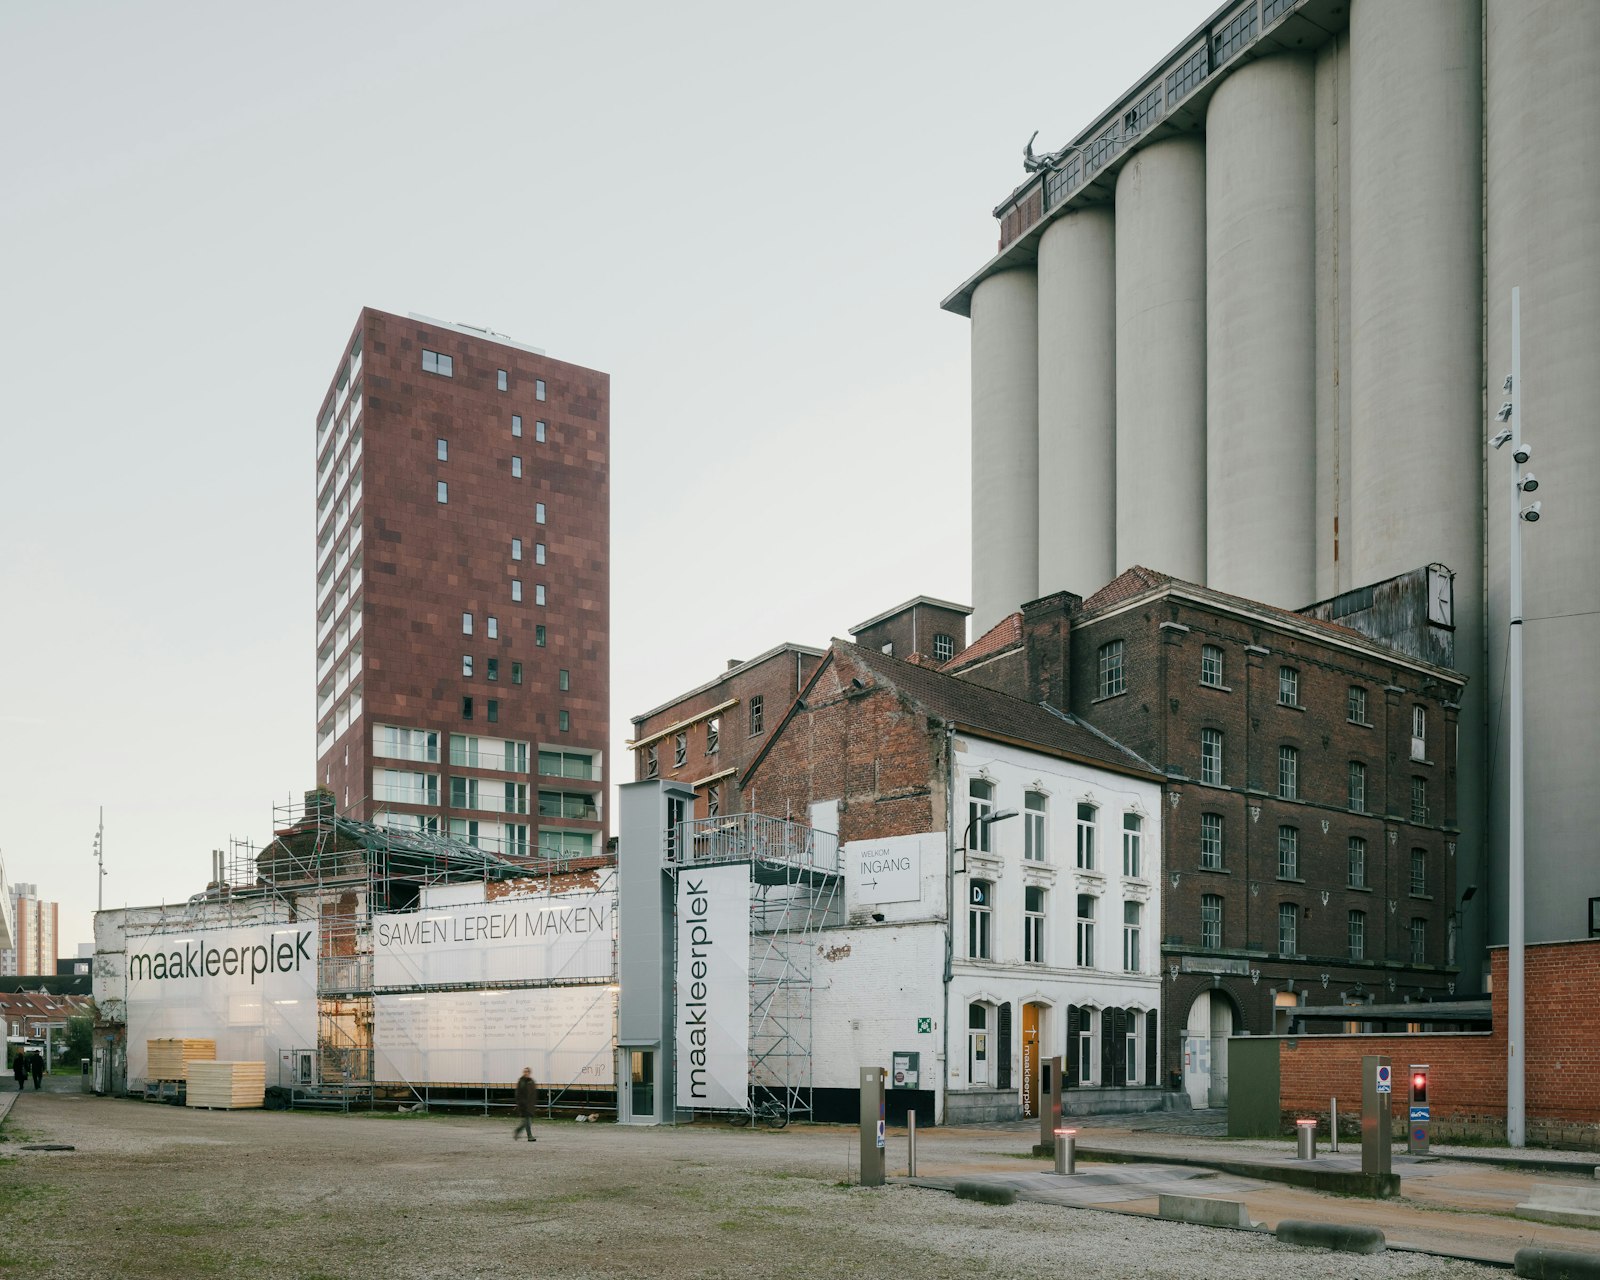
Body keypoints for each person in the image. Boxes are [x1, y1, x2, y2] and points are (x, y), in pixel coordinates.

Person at [512, 1066, 538, 1142]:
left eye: (527, 1072)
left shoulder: (531, 1081)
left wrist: (533, 1104)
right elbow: (518, 1093)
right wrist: (521, 1103)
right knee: (527, 1121)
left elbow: (533, 1094)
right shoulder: (521, 1081)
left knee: (526, 1122)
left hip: (530, 1105)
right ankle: (529, 1136)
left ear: (529, 1073)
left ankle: (517, 1131)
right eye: (524, 1071)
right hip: (523, 1105)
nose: (525, 1073)